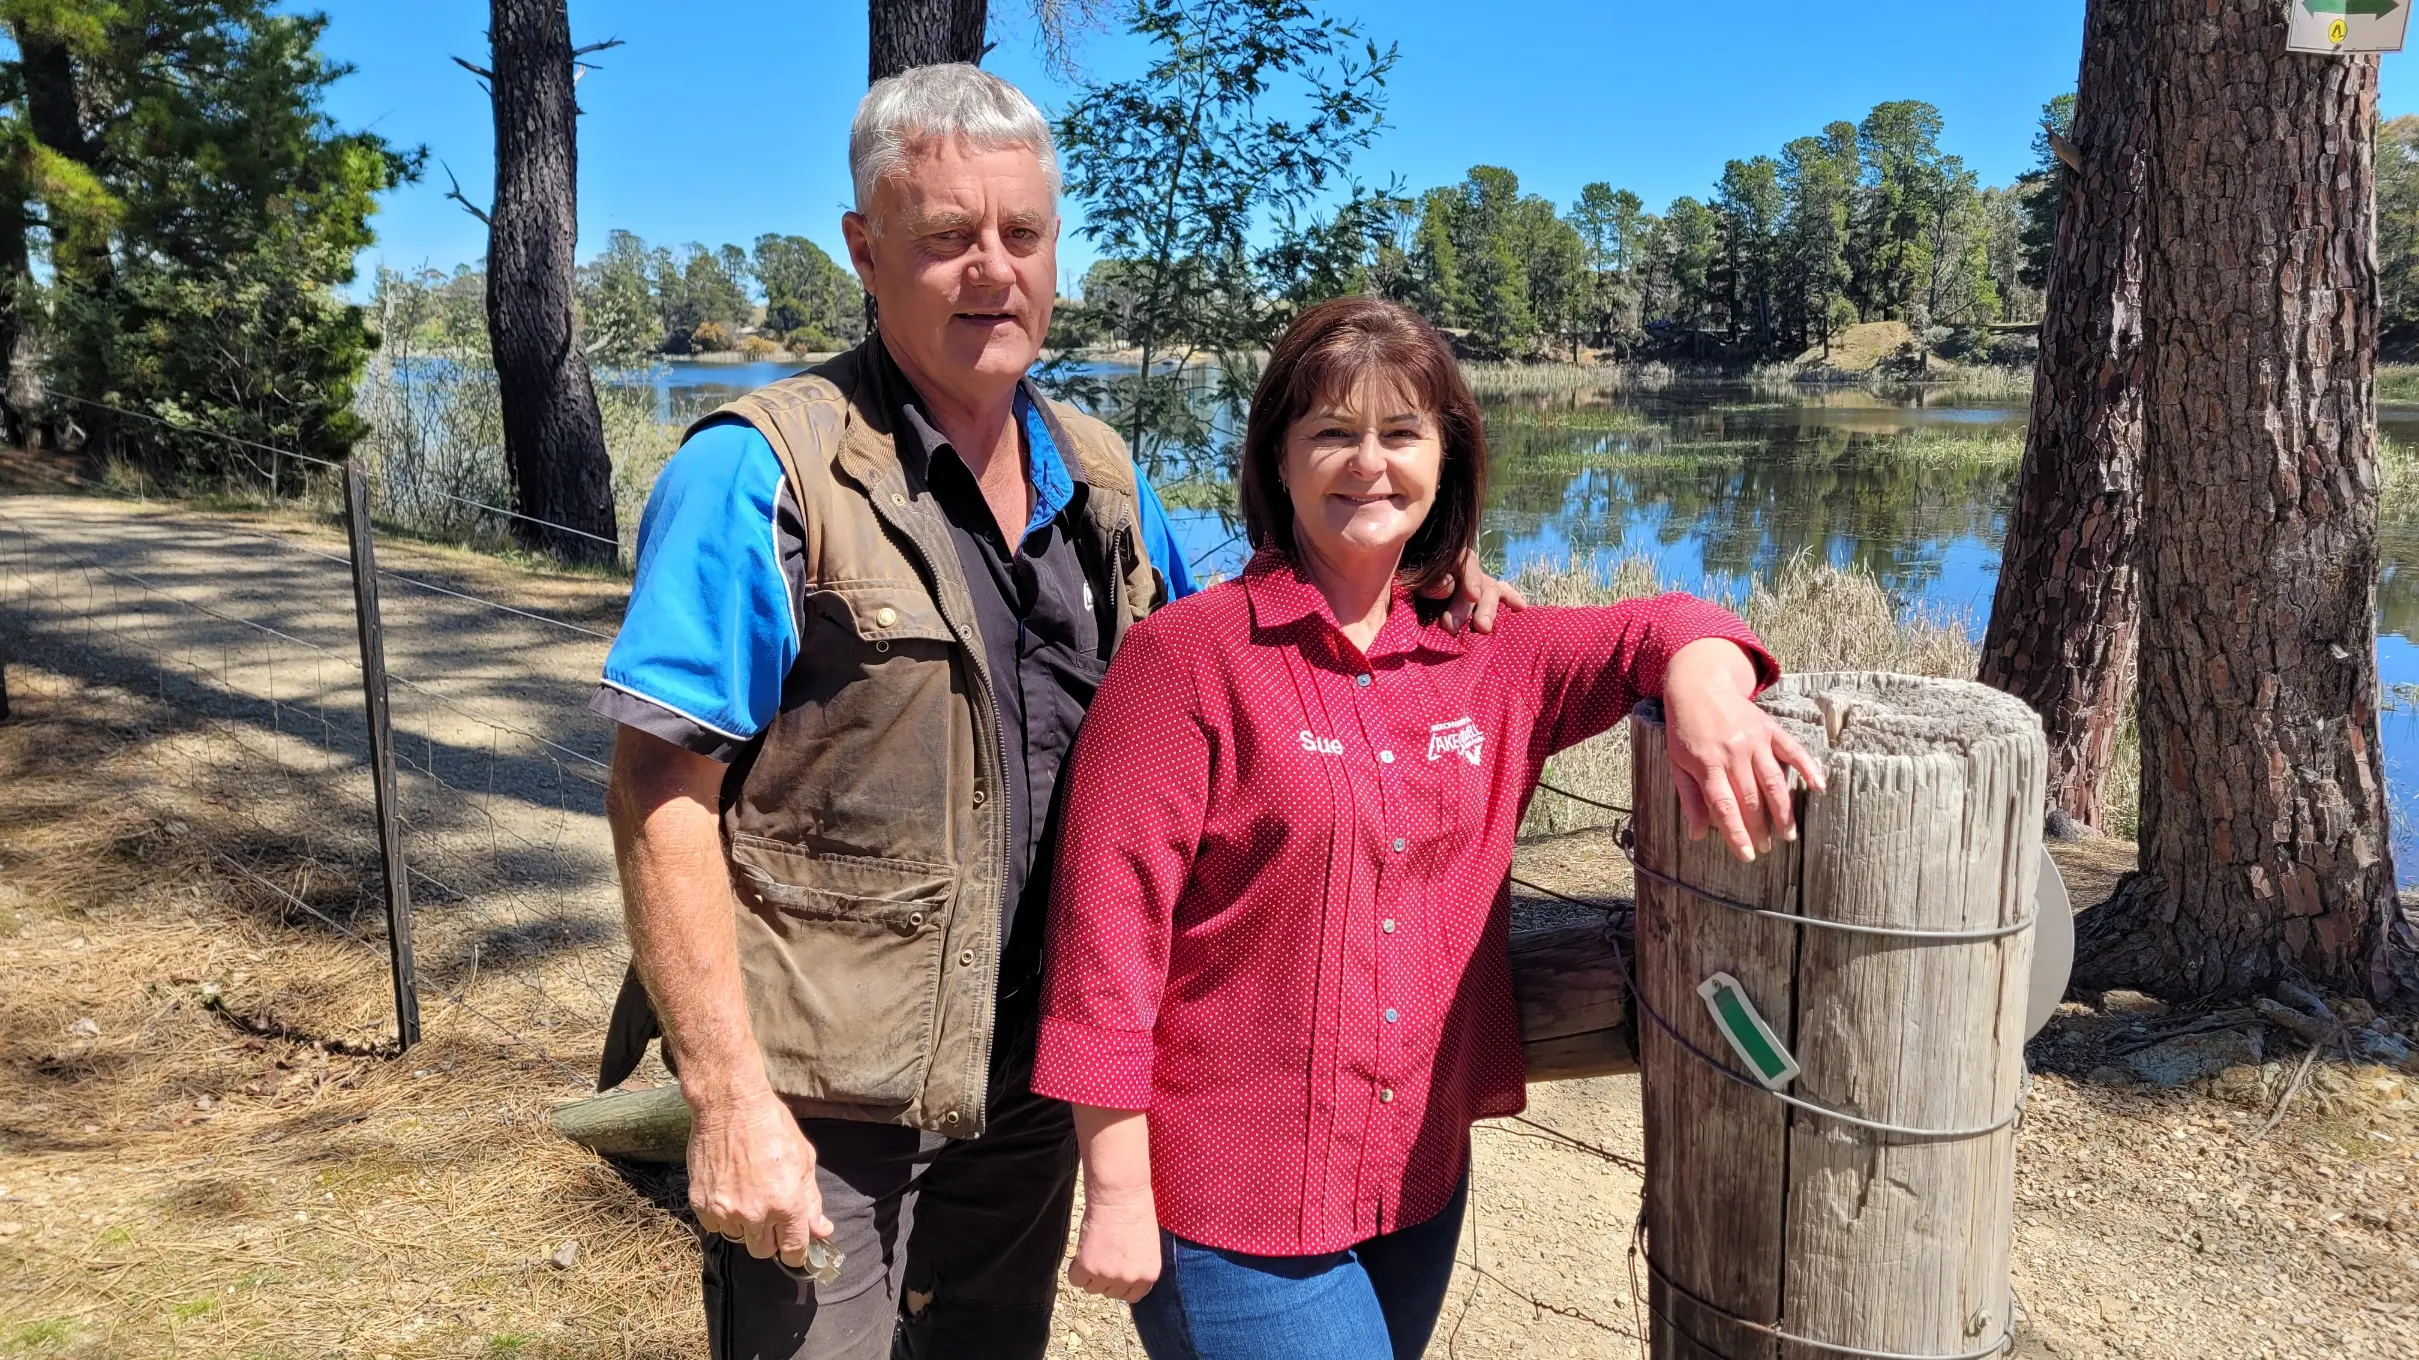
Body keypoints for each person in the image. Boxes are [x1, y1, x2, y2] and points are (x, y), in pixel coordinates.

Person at [588, 68, 1520, 1360]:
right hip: (826, 1100)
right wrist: (730, 1098)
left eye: (1019, 235)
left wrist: (1421, 566)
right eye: (944, 238)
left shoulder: (1098, 477)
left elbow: (1266, 608)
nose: (990, 271)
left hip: (1025, 1094)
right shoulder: (760, 470)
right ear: (864, 251)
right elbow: (657, 794)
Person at [1032, 296, 1824, 1360]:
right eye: (1331, 433)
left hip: (1413, 1182)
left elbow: (1669, 621)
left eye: (1401, 433)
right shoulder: (1187, 661)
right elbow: (1104, 946)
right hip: (1228, 1206)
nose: (1369, 464)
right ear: (1277, 459)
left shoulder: (1492, 651)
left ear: (1446, 457)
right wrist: (1118, 1188)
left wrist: (1709, 689)